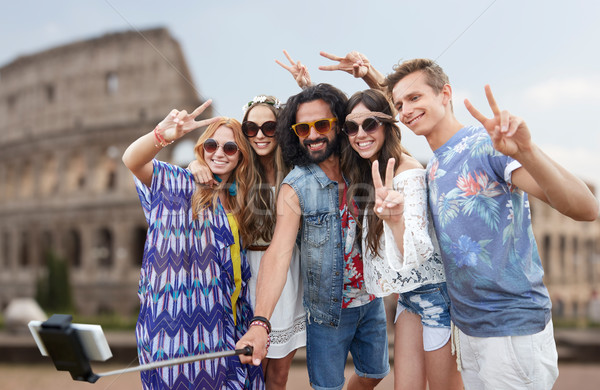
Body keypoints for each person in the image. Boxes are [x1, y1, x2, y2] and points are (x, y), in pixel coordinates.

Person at [378, 58, 598, 388]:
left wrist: (527, 151)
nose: (405, 110)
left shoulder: (486, 145)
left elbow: (585, 207)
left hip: (511, 329)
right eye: (399, 104)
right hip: (468, 331)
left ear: (445, 94)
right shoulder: (436, 167)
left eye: (414, 98)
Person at [236, 83, 390, 390]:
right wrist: (260, 322)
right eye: (302, 128)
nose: (312, 135)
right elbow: (278, 253)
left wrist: (368, 74)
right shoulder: (296, 186)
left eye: (322, 124)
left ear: (339, 124)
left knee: (375, 373)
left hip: (372, 299)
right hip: (327, 311)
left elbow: (386, 122)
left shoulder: (361, 164)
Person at [122, 101, 264, 390]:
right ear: (202, 148)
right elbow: (133, 161)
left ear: (240, 157)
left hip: (229, 325)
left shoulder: (241, 202)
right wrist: (162, 135)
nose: (219, 153)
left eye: (230, 148)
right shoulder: (178, 185)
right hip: (176, 334)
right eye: (211, 145)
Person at [340, 88, 463, 390]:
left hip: (437, 297)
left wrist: (395, 222)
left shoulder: (406, 173)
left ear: (387, 126)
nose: (360, 133)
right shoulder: (371, 171)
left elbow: (418, 249)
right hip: (409, 298)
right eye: (351, 127)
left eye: (369, 124)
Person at [189, 95, 307, 390]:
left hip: (287, 271)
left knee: (278, 375)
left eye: (269, 127)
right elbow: (209, 170)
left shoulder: (297, 169)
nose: (260, 135)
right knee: (253, 369)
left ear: (281, 129)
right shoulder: (240, 170)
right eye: (251, 128)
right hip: (247, 273)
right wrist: (194, 163)